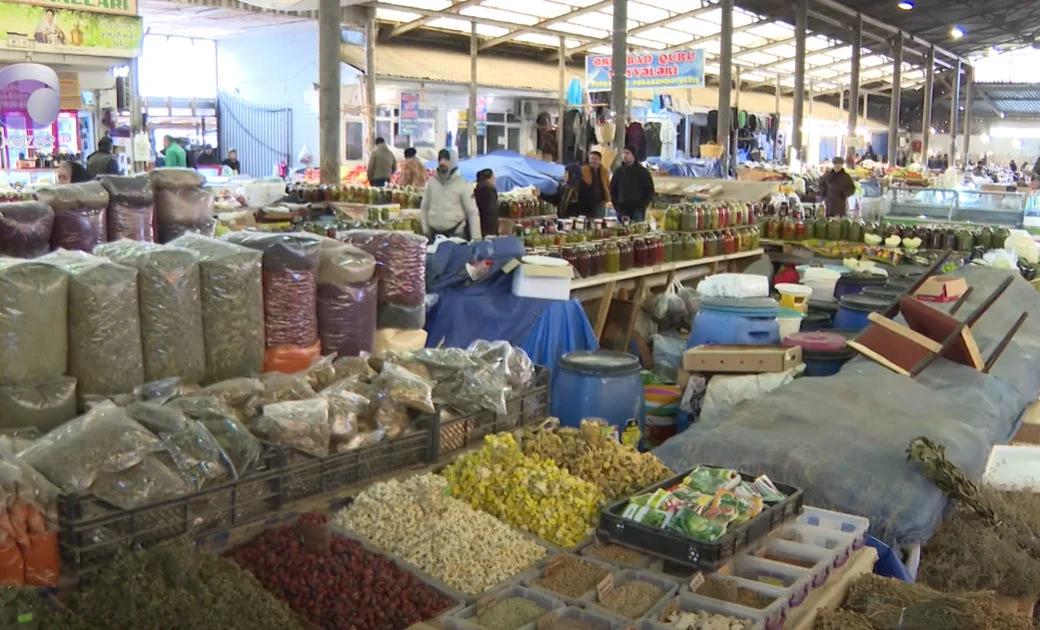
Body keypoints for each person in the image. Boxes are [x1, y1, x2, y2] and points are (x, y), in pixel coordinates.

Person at [421, 149, 481, 240]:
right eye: (440, 159)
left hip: (456, 235)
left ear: (453, 161)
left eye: (446, 159)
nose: (442, 162)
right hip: (433, 235)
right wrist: (425, 228)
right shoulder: (432, 182)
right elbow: (424, 207)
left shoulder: (463, 184)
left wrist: (476, 238)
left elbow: (472, 213)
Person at [609, 145, 655, 223]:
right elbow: (612, 190)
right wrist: (616, 206)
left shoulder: (642, 172)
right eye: (623, 153)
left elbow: (650, 191)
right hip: (622, 210)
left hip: (637, 210)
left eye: (627, 153)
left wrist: (642, 206)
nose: (624, 156)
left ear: (633, 155)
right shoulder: (619, 171)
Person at [580, 150, 611, 217]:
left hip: (600, 201)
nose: (593, 161)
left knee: (599, 221)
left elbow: (608, 185)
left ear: (600, 160)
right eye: (591, 159)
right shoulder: (583, 170)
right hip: (587, 202)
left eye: (596, 159)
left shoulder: (604, 171)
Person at [473, 169, 498, 239]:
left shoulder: (475, 191)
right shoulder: (490, 191)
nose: (495, 179)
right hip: (489, 230)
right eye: (493, 177)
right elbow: (491, 211)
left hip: (477, 228)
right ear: (489, 179)